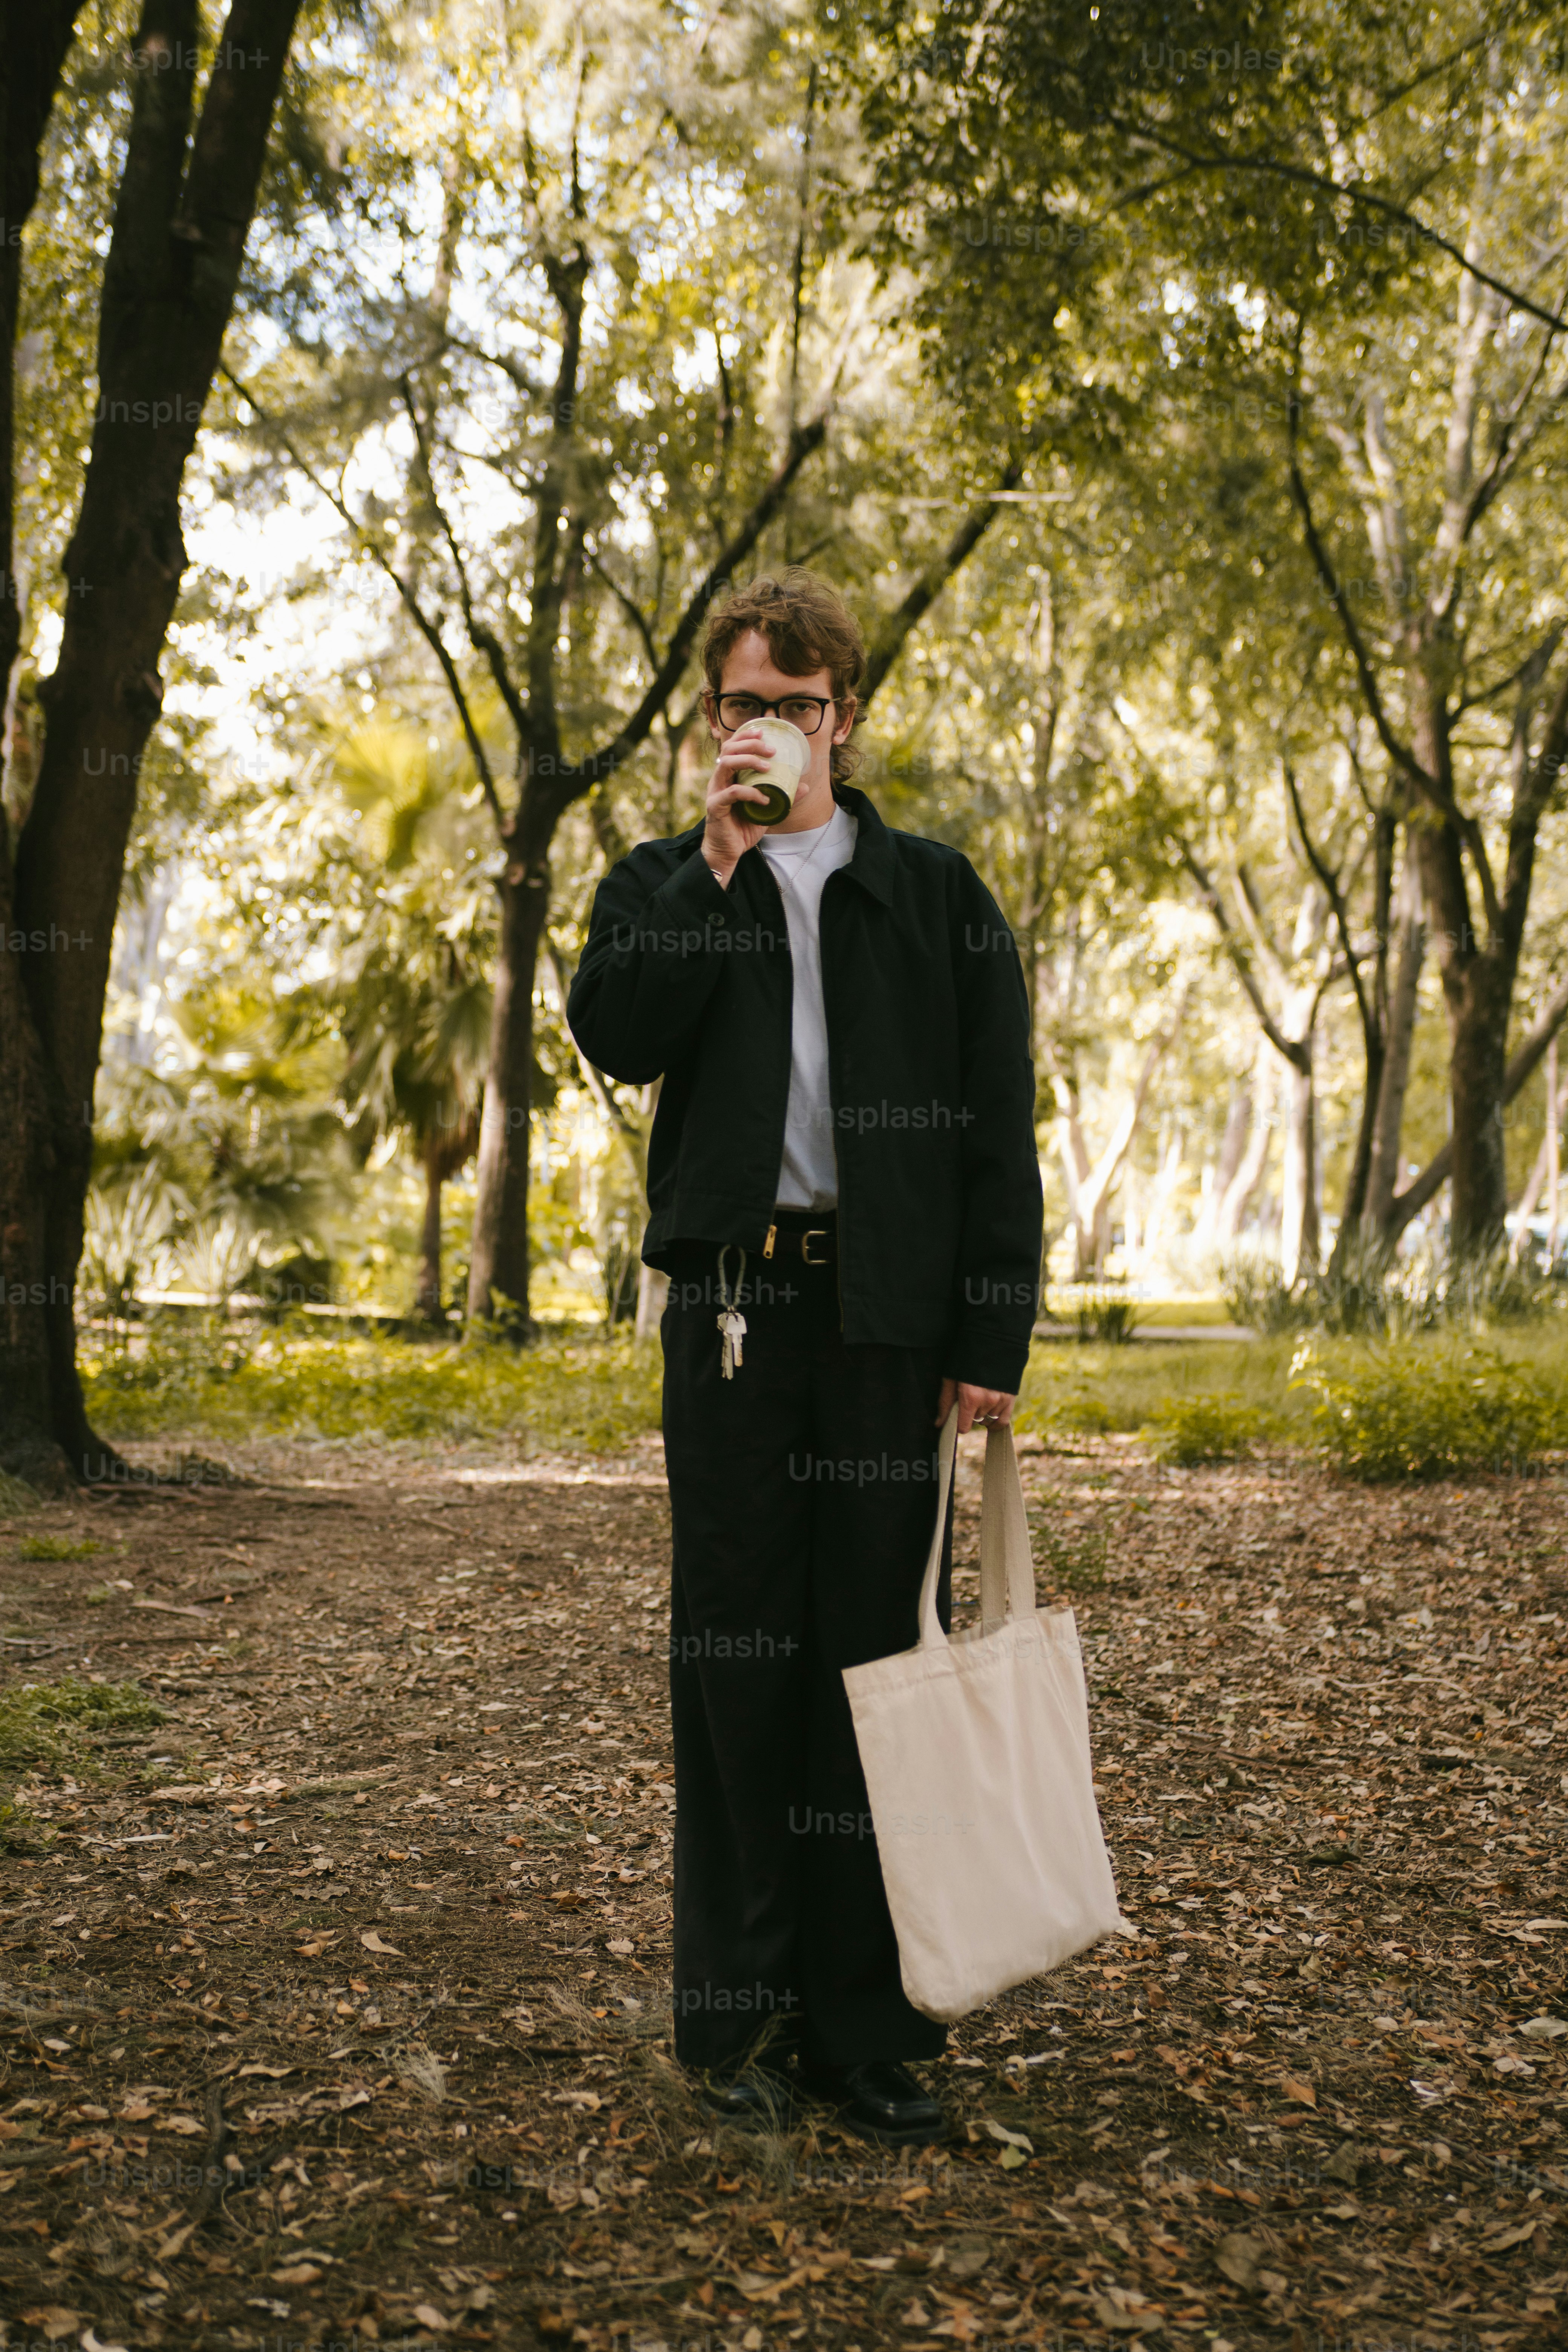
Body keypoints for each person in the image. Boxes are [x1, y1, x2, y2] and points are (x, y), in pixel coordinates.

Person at [567, 569, 1042, 2144]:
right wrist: (716, 865)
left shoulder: (937, 895)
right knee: (735, 1668)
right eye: (738, 704)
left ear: (843, 714)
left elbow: (996, 1130)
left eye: (791, 703)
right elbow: (616, 1034)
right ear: (711, 720)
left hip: (884, 1327)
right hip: (730, 1324)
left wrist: (989, 1329)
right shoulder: (660, 881)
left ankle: (868, 2030)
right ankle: (736, 2023)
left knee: (875, 1672)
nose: (763, 726)